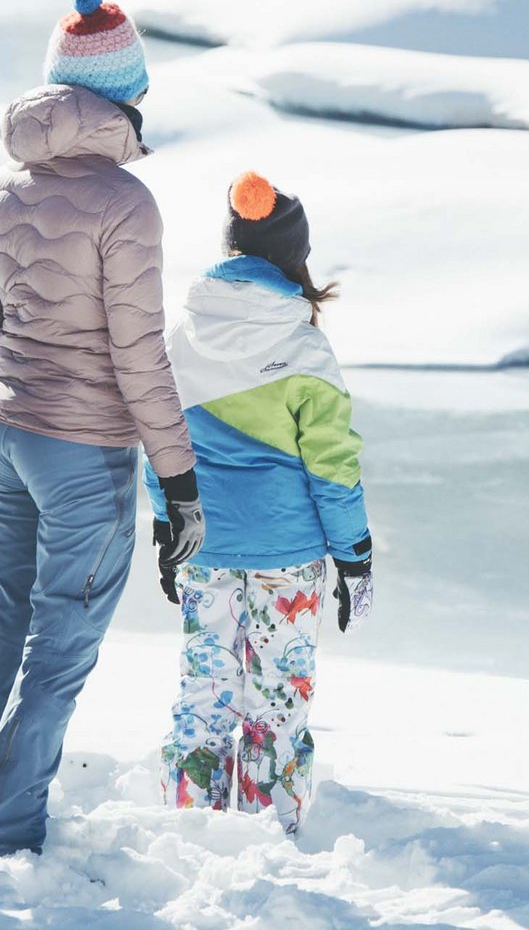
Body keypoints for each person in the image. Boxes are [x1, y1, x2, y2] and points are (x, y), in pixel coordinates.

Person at [0, 0, 201, 862]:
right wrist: (179, 483)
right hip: (84, 452)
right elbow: (141, 356)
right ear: (125, 93)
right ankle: (3, 835)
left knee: (4, 628)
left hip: (8, 435)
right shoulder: (124, 203)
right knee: (57, 653)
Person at [145, 170, 374, 836]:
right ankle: (273, 837)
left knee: (204, 694)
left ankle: (188, 832)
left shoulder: (179, 339)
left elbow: (158, 441)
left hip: (205, 547)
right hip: (288, 556)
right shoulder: (304, 346)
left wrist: (167, 528)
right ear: (292, 259)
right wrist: (354, 556)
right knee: (277, 702)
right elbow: (334, 467)